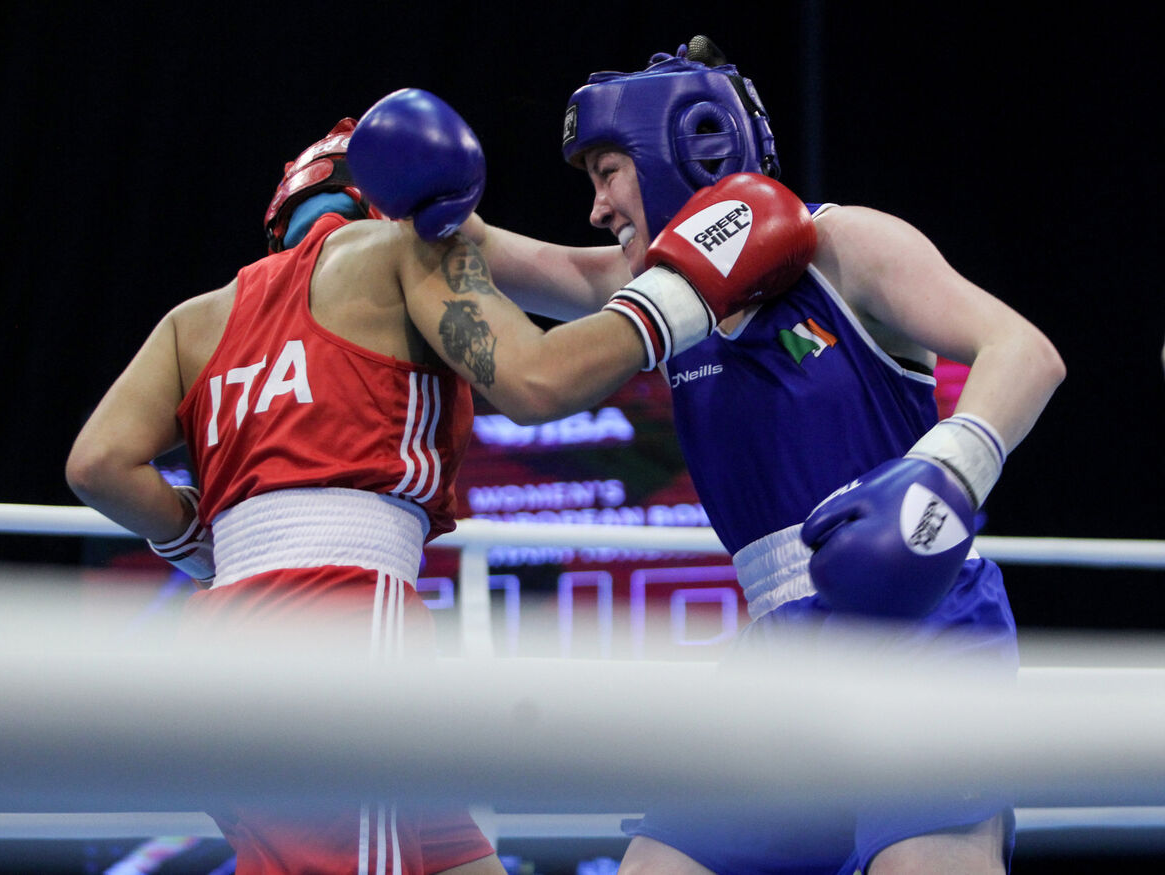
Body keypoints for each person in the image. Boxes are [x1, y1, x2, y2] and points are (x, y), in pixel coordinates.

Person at [65, 87, 816, 874]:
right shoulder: (405, 247)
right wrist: (692, 287)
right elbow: (534, 385)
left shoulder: (197, 318)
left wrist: (205, 546)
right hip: (339, 626)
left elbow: (98, 463)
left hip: (213, 640)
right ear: (386, 202)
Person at [464, 36, 1066, 875]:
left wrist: (945, 472)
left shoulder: (843, 245)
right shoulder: (660, 296)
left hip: (923, 627)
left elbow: (1024, 351)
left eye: (607, 172)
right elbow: (513, 259)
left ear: (683, 149)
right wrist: (390, 197)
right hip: (779, 656)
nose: (597, 207)